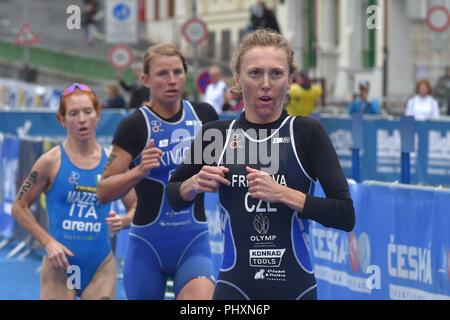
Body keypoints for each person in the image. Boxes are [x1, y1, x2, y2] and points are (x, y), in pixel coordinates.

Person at [166, 29, 355, 300]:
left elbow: (345, 214)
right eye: (255, 73)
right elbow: (173, 196)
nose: (265, 83)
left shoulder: (306, 132)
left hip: (295, 288)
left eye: (276, 74)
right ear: (238, 79)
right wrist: (192, 185)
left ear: (290, 80)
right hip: (235, 289)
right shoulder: (216, 134)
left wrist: (284, 194)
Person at [96, 44, 219, 300]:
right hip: (147, 247)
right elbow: (104, 191)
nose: (171, 80)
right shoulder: (134, 125)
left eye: (177, 72)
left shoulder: (205, 116)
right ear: (145, 79)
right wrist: (138, 171)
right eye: (162, 73)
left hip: (193, 243)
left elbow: (230, 164)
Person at [11, 83, 137, 300]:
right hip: (58, 267)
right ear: (62, 119)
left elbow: (136, 207)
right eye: (73, 113)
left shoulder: (113, 163)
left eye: (88, 112)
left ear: (98, 115)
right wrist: (48, 242)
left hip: (100, 267)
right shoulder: (49, 162)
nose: (82, 119)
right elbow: (18, 206)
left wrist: (124, 221)